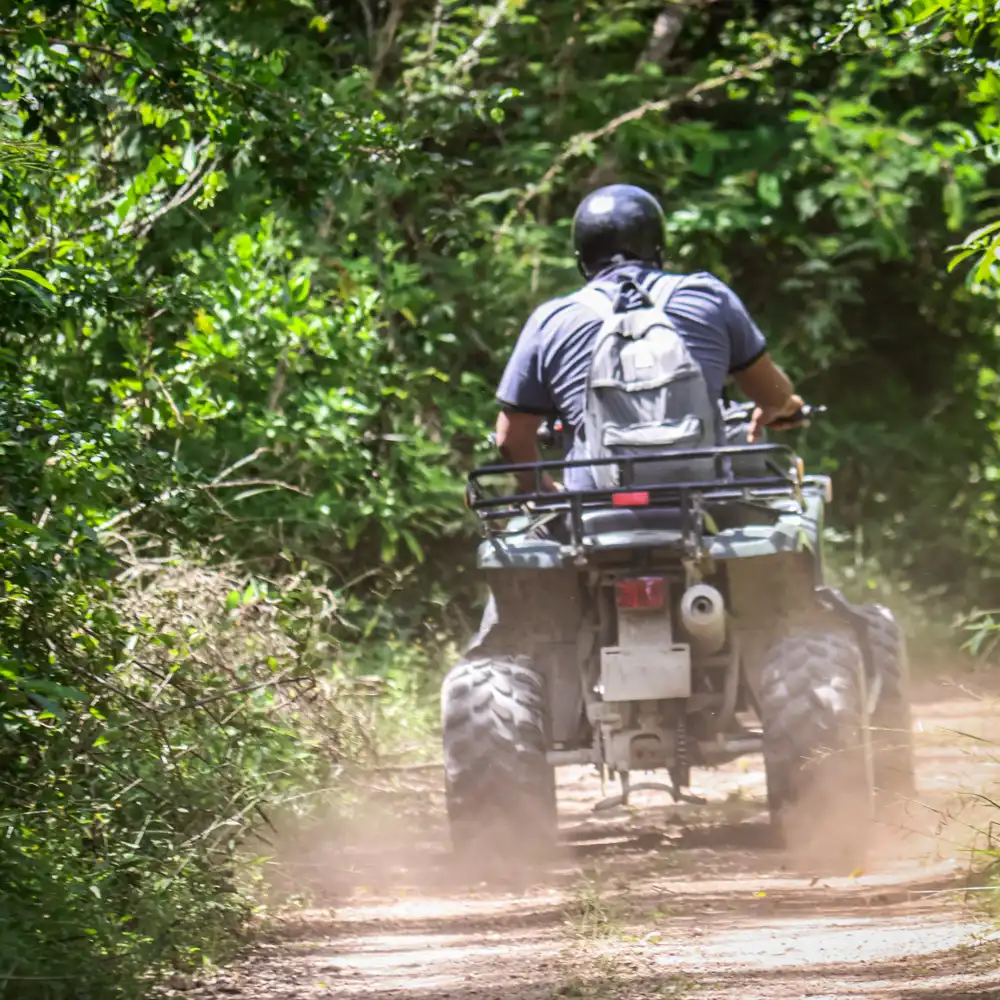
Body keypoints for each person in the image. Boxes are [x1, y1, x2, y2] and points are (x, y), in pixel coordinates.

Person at [494, 183, 804, 492]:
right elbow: (772, 393)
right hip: (703, 507)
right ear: (657, 247)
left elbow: (510, 440)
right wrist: (782, 405)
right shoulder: (707, 298)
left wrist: (548, 493)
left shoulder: (552, 321)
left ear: (582, 258)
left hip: (592, 514)